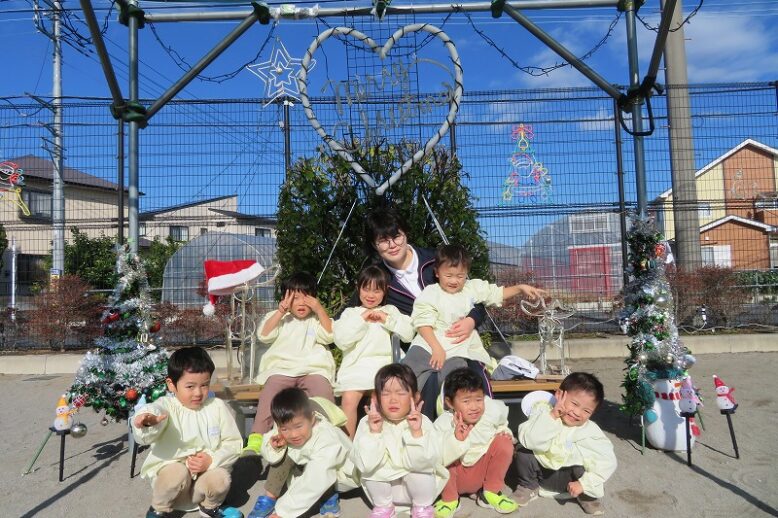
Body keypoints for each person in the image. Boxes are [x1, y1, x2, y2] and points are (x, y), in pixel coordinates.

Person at [363, 207, 489, 419]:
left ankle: (483, 431)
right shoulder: (379, 276)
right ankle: (424, 433)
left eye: (396, 236)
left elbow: (474, 298)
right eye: (383, 240)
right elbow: (356, 306)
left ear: (406, 233)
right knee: (424, 383)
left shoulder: (435, 260)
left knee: (472, 378)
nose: (392, 245)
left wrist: (471, 320)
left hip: (457, 341)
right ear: (375, 245)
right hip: (420, 347)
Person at [403, 244, 545, 407]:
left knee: (457, 375)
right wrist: (436, 348)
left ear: (466, 274)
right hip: (429, 344)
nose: (454, 281)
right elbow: (423, 323)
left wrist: (520, 288)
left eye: (460, 276)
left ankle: (448, 409)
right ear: (437, 272)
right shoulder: (431, 292)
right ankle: (405, 403)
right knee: (408, 369)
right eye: (448, 275)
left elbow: (496, 293)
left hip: (457, 348)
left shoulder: (471, 288)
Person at [131, 347, 243, 518]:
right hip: (175, 488)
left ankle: (210, 506)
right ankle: (159, 508)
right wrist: (147, 420)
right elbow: (155, 410)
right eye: (190, 386)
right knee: (175, 473)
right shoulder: (167, 406)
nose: (198, 393)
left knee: (221, 478)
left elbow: (233, 443)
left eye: (204, 385)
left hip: (203, 484)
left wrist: (211, 460)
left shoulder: (217, 407)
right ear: (171, 384)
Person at [244, 273, 336, 455]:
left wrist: (320, 310)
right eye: (295, 298)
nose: (301, 303)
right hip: (282, 369)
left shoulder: (317, 319)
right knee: (270, 393)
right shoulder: (279, 317)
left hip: (313, 369)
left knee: (323, 393)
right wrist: (280, 312)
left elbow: (330, 335)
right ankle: (256, 437)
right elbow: (264, 335)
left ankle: (329, 435)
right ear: (285, 298)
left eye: (306, 298)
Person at [351, 363, 449, 518]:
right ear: (375, 398)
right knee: (371, 467)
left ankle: (422, 508)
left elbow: (426, 462)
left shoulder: (423, 422)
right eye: (385, 393)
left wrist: (416, 433)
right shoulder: (367, 422)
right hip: (385, 493)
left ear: (415, 397)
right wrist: (374, 433)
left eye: (401, 393)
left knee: (421, 468)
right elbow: (365, 464)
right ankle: (384, 508)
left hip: (418, 491)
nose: (393, 399)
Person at [514, 372, 617, 516]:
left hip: (572, 482)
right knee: (523, 451)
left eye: (586, 411)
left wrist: (584, 484)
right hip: (542, 475)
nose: (577, 413)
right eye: (574, 404)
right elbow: (530, 440)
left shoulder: (590, 431)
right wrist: (552, 416)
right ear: (559, 395)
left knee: (585, 463)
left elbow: (608, 461)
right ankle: (528, 486)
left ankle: (586, 496)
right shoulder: (543, 413)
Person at [248, 388, 358, 518]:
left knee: (322, 470)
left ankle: (328, 496)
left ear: (312, 418)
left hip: (336, 474)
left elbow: (317, 476)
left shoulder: (327, 438)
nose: (293, 434)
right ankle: (269, 497)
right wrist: (274, 446)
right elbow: (270, 445)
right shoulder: (289, 423)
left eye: (298, 426)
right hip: (311, 468)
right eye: (285, 429)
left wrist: (283, 512)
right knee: (282, 450)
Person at [334, 266, 415, 437]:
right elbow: (341, 341)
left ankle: (381, 440)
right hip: (356, 367)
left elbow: (408, 334)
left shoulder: (389, 311)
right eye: (366, 289)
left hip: (383, 366)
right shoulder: (351, 313)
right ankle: (348, 443)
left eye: (377, 291)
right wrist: (362, 319)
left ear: (384, 291)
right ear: (358, 289)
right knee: (349, 399)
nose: (371, 295)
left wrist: (386, 320)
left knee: (379, 399)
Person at [433, 368, 518, 516]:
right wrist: (455, 440)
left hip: (481, 474)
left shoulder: (491, 413)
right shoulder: (443, 423)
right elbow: (435, 455)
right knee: (442, 451)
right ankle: (450, 499)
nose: (474, 407)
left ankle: (490, 492)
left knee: (504, 441)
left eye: (479, 400)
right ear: (450, 402)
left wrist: (505, 432)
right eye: (466, 401)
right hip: (455, 478)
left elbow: (501, 425)